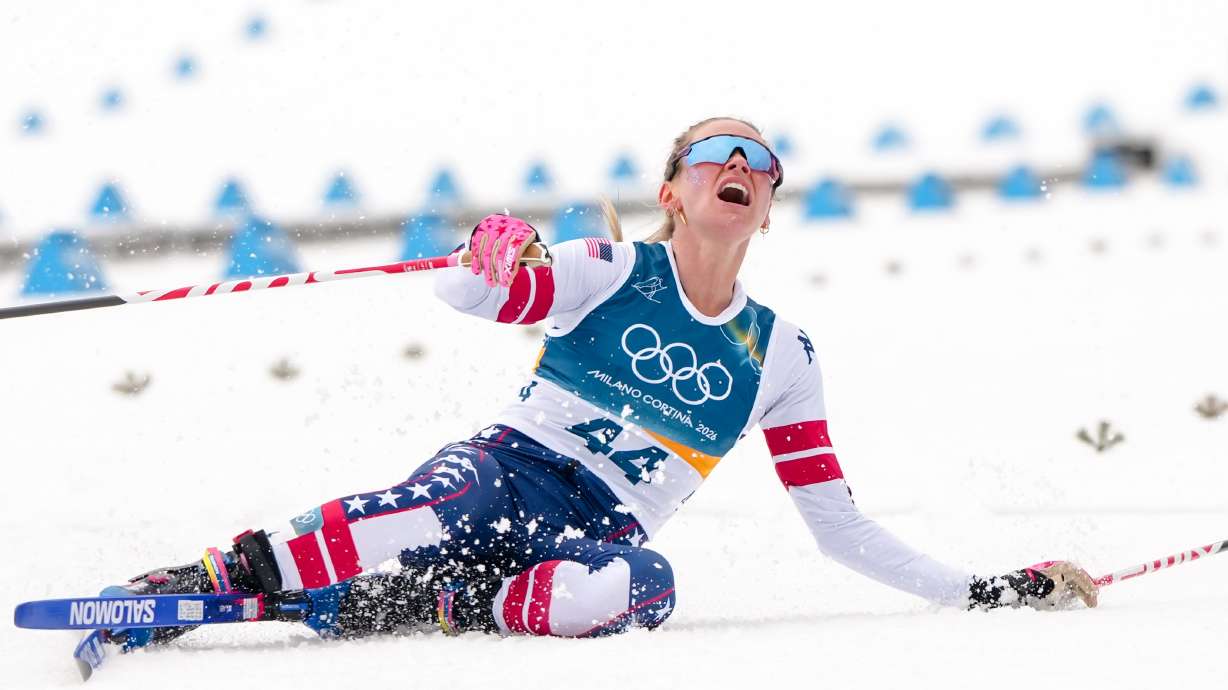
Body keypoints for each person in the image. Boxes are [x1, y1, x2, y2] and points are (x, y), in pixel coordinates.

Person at [103, 117, 1097, 651]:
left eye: (761, 161)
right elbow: (472, 298)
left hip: (597, 531)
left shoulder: (781, 357)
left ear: (765, 207)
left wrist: (983, 589)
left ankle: (444, 607)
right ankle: (211, 580)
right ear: (674, 191)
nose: (741, 166)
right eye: (719, 153)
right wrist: (480, 251)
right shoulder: (612, 268)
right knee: (439, 505)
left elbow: (837, 528)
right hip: (504, 474)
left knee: (647, 590)